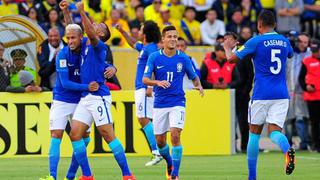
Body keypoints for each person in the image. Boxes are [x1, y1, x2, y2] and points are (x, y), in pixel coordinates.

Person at [223, 10, 295, 180]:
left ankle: (252, 176)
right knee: (275, 132)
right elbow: (291, 54)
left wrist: (228, 48)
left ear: (259, 25)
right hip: (281, 94)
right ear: (275, 24)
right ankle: (287, 149)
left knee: (254, 133)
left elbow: (231, 60)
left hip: (261, 93)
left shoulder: (255, 41)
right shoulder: (284, 41)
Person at [68, 2, 134, 180]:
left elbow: (88, 30)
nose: (95, 24)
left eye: (99, 26)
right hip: (85, 96)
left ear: (101, 34)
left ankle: (127, 174)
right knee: (75, 134)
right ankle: (87, 175)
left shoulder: (99, 46)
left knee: (107, 135)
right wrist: (66, 11)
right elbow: (71, 30)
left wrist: (82, 11)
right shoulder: (84, 44)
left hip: (98, 97)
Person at [39, 24, 101, 180]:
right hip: (61, 99)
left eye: (73, 37)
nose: (70, 41)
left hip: (80, 100)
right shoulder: (62, 54)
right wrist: (87, 86)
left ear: (81, 37)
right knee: (56, 135)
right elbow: (65, 83)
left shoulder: (87, 51)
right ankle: (52, 176)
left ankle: (73, 175)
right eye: (68, 38)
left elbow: (101, 62)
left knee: (83, 137)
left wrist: (113, 68)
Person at [143, 25, 204, 180]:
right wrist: (157, 83)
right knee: (160, 141)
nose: (172, 39)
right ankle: (169, 163)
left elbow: (193, 76)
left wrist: (199, 85)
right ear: (163, 39)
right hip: (159, 104)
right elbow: (145, 79)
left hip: (177, 101)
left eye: (175, 37)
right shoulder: (154, 57)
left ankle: (175, 174)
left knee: (175, 135)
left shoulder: (183, 58)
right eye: (169, 36)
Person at [116, 20, 163, 166]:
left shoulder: (151, 49)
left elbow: (157, 65)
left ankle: (156, 152)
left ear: (146, 33)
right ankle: (159, 150)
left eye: (141, 29)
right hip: (141, 87)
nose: (139, 31)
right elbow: (132, 44)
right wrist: (123, 31)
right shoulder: (145, 47)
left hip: (144, 87)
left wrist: (151, 86)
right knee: (145, 119)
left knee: (143, 118)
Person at [285, 33, 311, 150]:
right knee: (288, 119)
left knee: (301, 118)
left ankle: (304, 143)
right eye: (301, 41)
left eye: (306, 42)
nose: (303, 44)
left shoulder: (310, 53)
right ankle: (288, 143)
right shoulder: (289, 53)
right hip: (288, 90)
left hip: (303, 91)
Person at [299, 40, 320, 153]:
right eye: (313, 51)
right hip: (313, 97)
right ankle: (316, 144)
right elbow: (301, 78)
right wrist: (306, 87)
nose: (315, 53)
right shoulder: (306, 61)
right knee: (314, 122)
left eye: (317, 51)